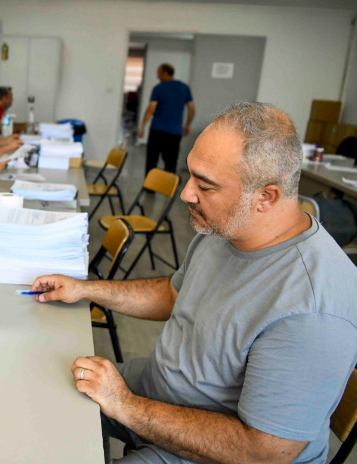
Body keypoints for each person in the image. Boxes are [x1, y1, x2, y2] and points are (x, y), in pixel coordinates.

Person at [33, 102, 357, 464]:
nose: (186, 194)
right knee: (38, 386)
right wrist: (86, 288)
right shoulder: (227, 227)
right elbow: (174, 293)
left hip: (214, 446)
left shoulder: (312, 308)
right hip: (156, 391)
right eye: (190, 176)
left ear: (266, 197)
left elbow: (264, 452)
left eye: (205, 185)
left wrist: (126, 406)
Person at [138, 64, 195, 175]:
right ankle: (169, 188)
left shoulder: (158, 88)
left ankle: (149, 187)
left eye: (158, 73)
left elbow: (150, 109)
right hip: (175, 132)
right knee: (171, 161)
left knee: (152, 160)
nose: (157, 76)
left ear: (165, 73)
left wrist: (142, 126)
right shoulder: (184, 88)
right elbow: (192, 109)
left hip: (157, 130)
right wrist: (188, 124)